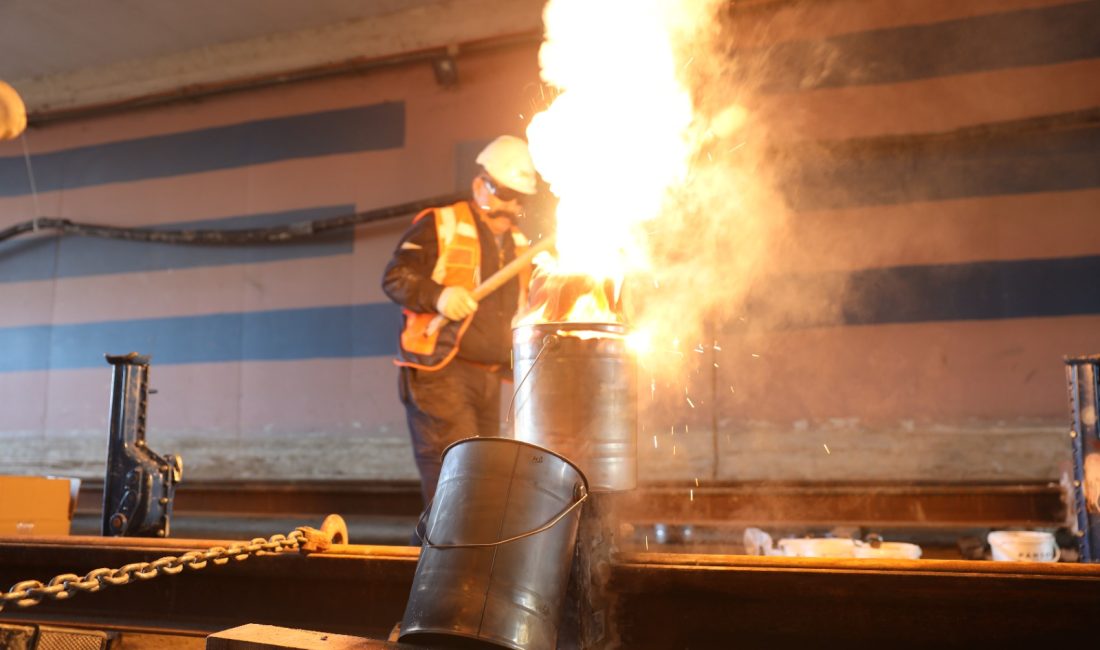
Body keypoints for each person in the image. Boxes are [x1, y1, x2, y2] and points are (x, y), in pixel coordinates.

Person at [382, 135, 539, 509]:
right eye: (503, 193)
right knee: (457, 481)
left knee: (482, 481)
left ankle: (460, 561)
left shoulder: (520, 246)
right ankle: (442, 563)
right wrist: (439, 295)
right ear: (479, 184)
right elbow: (395, 277)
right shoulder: (441, 224)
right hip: (441, 372)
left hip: (487, 376)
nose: (510, 206)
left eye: (520, 198)